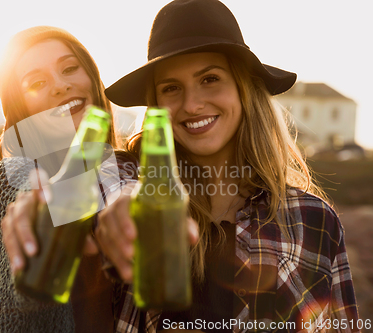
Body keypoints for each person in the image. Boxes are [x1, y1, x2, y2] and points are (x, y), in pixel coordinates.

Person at [97, 0, 361, 332]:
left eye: (209, 79)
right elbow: (74, 199)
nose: (191, 105)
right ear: (156, 104)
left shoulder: (313, 219)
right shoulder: (123, 176)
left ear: (243, 88)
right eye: (171, 88)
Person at [0, 26, 128, 333]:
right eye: (37, 83)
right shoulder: (15, 177)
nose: (60, 86)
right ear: (22, 107)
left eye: (70, 68)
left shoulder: (127, 170)